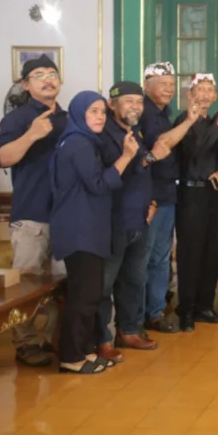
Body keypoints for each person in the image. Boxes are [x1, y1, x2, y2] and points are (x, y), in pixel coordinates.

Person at [51, 91, 137, 374]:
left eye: (102, 111)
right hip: (80, 229)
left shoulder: (85, 142)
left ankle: (85, 351)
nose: (100, 116)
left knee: (89, 294)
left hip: (88, 227)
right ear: (78, 115)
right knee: (84, 296)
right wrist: (126, 157)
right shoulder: (78, 143)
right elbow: (99, 184)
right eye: (93, 112)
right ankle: (71, 357)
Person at [0, 56, 65, 367]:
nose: (48, 79)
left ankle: (52, 338)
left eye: (52, 74)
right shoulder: (18, 119)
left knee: (61, 284)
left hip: (65, 215)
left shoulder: (71, 117)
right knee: (27, 286)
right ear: (26, 84)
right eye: (38, 75)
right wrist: (32, 134)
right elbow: (2, 158)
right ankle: (25, 343)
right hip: (31, 214)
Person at [95, 81, 170, 363]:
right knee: (105, 283)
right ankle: (102, 339)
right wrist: (151, 156)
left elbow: (142, 176)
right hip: (114, 221)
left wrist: (150, 202)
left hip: (140, 218)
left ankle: (129, 330)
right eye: (128, 101)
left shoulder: (134, 132)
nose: (135, 107)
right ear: (112, 104)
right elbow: (116, 175)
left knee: (133, 280)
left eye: (138, 102)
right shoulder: (103, 134)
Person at [140, 62, 199, 334]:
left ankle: (154, 312)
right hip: (150, 198)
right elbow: (161, 144)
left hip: (167, 194)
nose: (168, 89)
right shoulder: (143, 112)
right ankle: (137, 316)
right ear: (147, 84)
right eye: (162, 83)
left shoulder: (164, 112)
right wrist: (189, 121)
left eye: (171, 84)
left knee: (161, 258)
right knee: (144, 258)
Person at [174, 74, 218, 332]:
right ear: (190, 94)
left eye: (210, 90)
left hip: (212, 193)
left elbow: (217, 153)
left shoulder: (211, 120)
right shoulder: (184, 121)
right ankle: (186, 310)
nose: (206, 95)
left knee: (211, 252)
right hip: (191, 195)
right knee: (191, 254)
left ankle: (205, 306)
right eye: (201, 89)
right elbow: (196, 150)